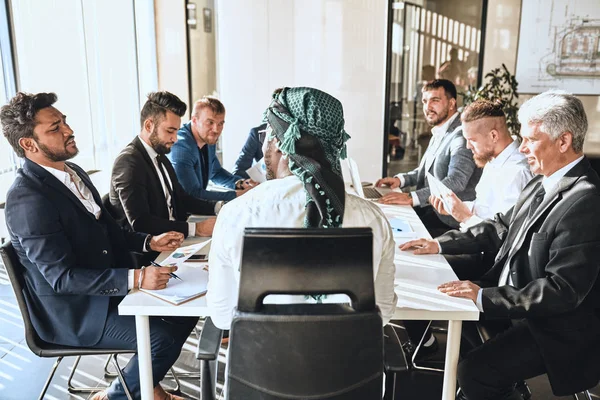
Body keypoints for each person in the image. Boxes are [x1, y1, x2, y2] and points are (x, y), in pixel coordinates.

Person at [402, 90, 600, 399]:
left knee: (474, 372)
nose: (521, 148)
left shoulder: (585, 200)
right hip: (519, 299)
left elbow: (563, 290)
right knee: (448, 292)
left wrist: (485, 297)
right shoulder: (540, 182)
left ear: (563, 141)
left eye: (530, 140)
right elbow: (498, 227)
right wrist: (437, 245)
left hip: (552, 325)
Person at [1, 92, 197, 400]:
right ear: (29, 144)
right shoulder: (27, 199)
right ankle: (117, 396)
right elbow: (63, 279)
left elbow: (110, 230)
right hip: (75, 312)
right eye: (55, 128)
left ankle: (145, 387)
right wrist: (137, 278)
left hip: (107, 289)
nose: (68, 129)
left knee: (187, 310)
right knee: (161, 338)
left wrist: (149, 241)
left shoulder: (74, 172)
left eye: (63, 121)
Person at [206, 87, 397, 330]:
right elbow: (384, 313)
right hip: (347, 366)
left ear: (278, 141)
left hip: (263, 366)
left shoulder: (236, 214)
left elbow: (222, 317)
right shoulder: (373, 219)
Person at [109, 91, 218, 260]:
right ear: (148, 126)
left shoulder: (160, 156)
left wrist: (218, 207)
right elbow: (140, 222)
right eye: (170, 131)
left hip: (174, 244)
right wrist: (195, 229)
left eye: (176, 131)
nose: (175, 139)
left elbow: (182, 198)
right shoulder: (129, 163)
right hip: (149, 257)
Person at [376, 79, 481, 235]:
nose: (427, 107)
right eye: (425, 101)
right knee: (384, 218)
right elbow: (425, 170)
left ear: (451, 104)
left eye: (435, 101)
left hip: (448, 221)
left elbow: (456, 181)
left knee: (390, 231)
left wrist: (412, 197)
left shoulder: (460, 135)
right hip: (431, 211)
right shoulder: (440, 130)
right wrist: (401, 180)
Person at [430, 99, 534, 235]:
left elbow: (505, 235)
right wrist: (455, 208)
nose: (468, 146)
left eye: (472, 140)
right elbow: (486, 208)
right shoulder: (494, 159)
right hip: (474, 241)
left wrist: (465, 217)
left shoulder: (518, 173)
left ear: (493, 135)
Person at [168, 96, 256, 201]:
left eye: (220, 124)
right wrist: (237, 195)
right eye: (210, 122)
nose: (216, 129)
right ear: (194, 120)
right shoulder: (182, 147)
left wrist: (240, 184)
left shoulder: (208, 139)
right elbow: (192, 193)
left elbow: (216, 172)